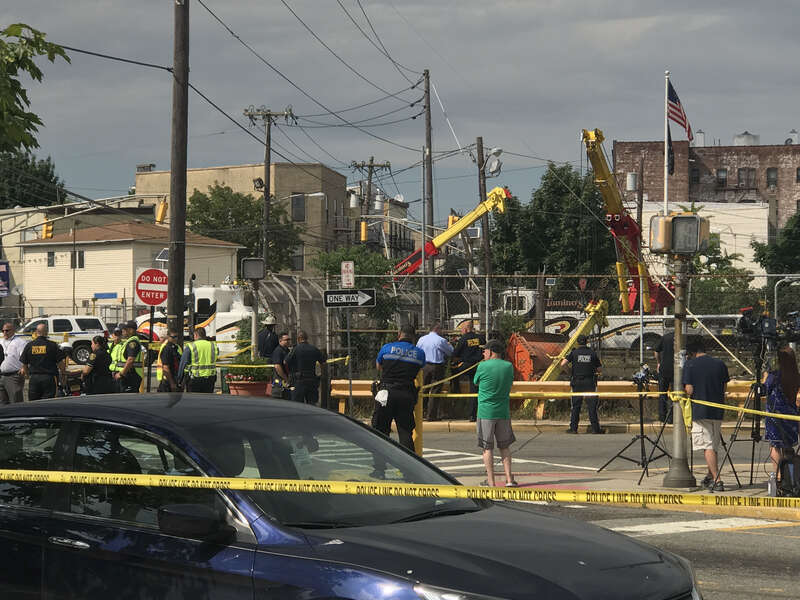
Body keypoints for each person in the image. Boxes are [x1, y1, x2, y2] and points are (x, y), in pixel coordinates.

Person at [372, 324, 425, 468]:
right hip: (406, 395)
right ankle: (409, 469)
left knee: (381, 431)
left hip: (386, 394)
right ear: (413, 337)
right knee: (405, 432)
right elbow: (420, 368)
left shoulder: (387, 348)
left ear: (399, 333)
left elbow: (378, 366)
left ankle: (379, 469)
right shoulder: (419, 353)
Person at [682, 336, 729, 491]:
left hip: (700, 410)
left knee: (707, 445)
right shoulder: (720, 364)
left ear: (691, 353)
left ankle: (717, 479)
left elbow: (689, 390)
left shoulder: (690, 365)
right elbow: (724, 387)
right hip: (717, 409)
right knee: (713, 444)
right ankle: (710, 475)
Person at [473, 339, 516, 487]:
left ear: (491, 352)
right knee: (504, 446)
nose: (483, 353)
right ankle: (509, 479)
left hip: (486, 411)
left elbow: (476, 381)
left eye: (485, 351)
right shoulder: (508, 366)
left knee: (487, 448)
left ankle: (491, 482)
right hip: (503, 411)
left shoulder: (482, 366)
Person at [763, 346, 799, 476]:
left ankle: (778, 476)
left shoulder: (775, 376)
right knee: (788, 446)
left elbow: (764, 390)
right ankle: (790, 476)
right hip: (791, 415)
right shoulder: (796, 376)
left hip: (775, 415)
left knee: (775, 446)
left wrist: (765, 376)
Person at [561, 334, 604, 434]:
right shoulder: (592, 353)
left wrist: (570, 372)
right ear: (586, 342)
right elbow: (599, 369)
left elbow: (563, 364)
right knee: (592, 407)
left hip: (576, 382)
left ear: (577, 343)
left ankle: (573, 428)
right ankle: (595, 429)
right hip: (589, 382)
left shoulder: (574, 353)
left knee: (576, 406)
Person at [415, 320, 453, 421]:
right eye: (441, 329)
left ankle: (421, 413)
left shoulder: (421, 339)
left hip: (424, 366)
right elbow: (450, 352)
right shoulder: (441, 340)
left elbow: (417, 351)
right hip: (437, 366)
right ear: (436, 329)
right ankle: (431, 415)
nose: (442, 331)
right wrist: (450, 345)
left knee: (423, 389)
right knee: (435, 390)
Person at [20, 323, 66, 401]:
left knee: (34, 402)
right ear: (46, 332)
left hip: (34, 378)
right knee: (48, 402)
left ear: (36, 332)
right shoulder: (52, 345)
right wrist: (63, 374)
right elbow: (60, 363)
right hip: (49, 378)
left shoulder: (29, 345)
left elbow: (24, 363)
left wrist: (27, 375)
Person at [451, 319, 485, 422]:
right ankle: (473, 414)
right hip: (479, 367)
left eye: (461, 329)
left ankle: (456, 391)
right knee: (474, 390)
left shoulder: (463, 339)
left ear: (465, 329)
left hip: (466, 367)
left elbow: (455, 354)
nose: (461, 331)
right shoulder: (480, 338)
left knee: (452, 370)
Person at [286, 330, 323, 405]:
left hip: (299, 380)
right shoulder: (314, 349)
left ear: (298, 339)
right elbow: (323, 363)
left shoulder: (296, 349)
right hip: (312, 380)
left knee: (298, 405)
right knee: (312, 404)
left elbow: (285, 362)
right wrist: (320, 375)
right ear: (307, 338)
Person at [179, 327, 218, 393]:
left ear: (196, 335)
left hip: (195, 379)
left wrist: (179, 379)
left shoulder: (191, 346)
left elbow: (183, 363)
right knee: (208, 398)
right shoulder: (213, 345)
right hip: (210, 378)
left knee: (194, 398)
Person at [113, 320, 144, 393]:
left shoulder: (132, 342)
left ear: (131, 330)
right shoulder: (128, 341)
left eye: (124, 329)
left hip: (131, 376)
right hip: (128, 375)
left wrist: (121, 374)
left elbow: (130, 360)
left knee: (128, 398)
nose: (122, 331)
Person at [0, 321, 27, 404]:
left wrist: (24, 368)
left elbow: (25, 357)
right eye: (3, 330)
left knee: (15, 401)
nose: (4, 332)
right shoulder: (1, 341)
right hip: (1, 376)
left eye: (7, 330)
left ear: (13, 330)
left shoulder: (20, 342)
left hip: (14, 376)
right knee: (2, 403)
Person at [654, 330, 674, 422]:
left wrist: (658, 363)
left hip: (664, 368)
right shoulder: (682, 338)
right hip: (676, 369)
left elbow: (656, 351)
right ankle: (672, 417)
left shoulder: (665, 337)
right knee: (675, 394)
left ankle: (662, 416)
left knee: (662, 393)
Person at [270, 332, 291, 399]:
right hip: (279, 382)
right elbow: (277, 366)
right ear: (280, 341)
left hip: (286, 381)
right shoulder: (278, 351)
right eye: (286, 340)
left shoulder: (287, 351)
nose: (288, 341)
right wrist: (286, 378)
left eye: (289, 339)